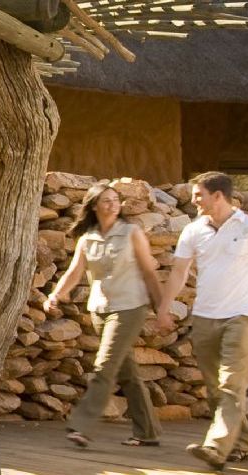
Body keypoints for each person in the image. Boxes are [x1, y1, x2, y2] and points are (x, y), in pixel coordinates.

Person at [155, 171, 248, 470]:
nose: (194, 199)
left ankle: (216, 447)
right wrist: (164, 307)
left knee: (230, 385)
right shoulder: (193, 230)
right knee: (216, 388)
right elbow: (179, 272)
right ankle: (240, 443)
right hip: (204, 317)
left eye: (199, 195)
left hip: (241, 315)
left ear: (218, 195)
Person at [45, 182, 164, 449]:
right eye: (106, 200)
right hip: (100, 309)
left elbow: (148, 272)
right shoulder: (88, 238)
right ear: (94, 206)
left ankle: (81, 426)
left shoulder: (132, 232)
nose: (112, 204)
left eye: (115, 200)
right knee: (127, 373)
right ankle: (147, 432)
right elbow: (75, 272)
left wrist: (162, 308)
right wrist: (55, 295)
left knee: (104, 366)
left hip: (130, 307)